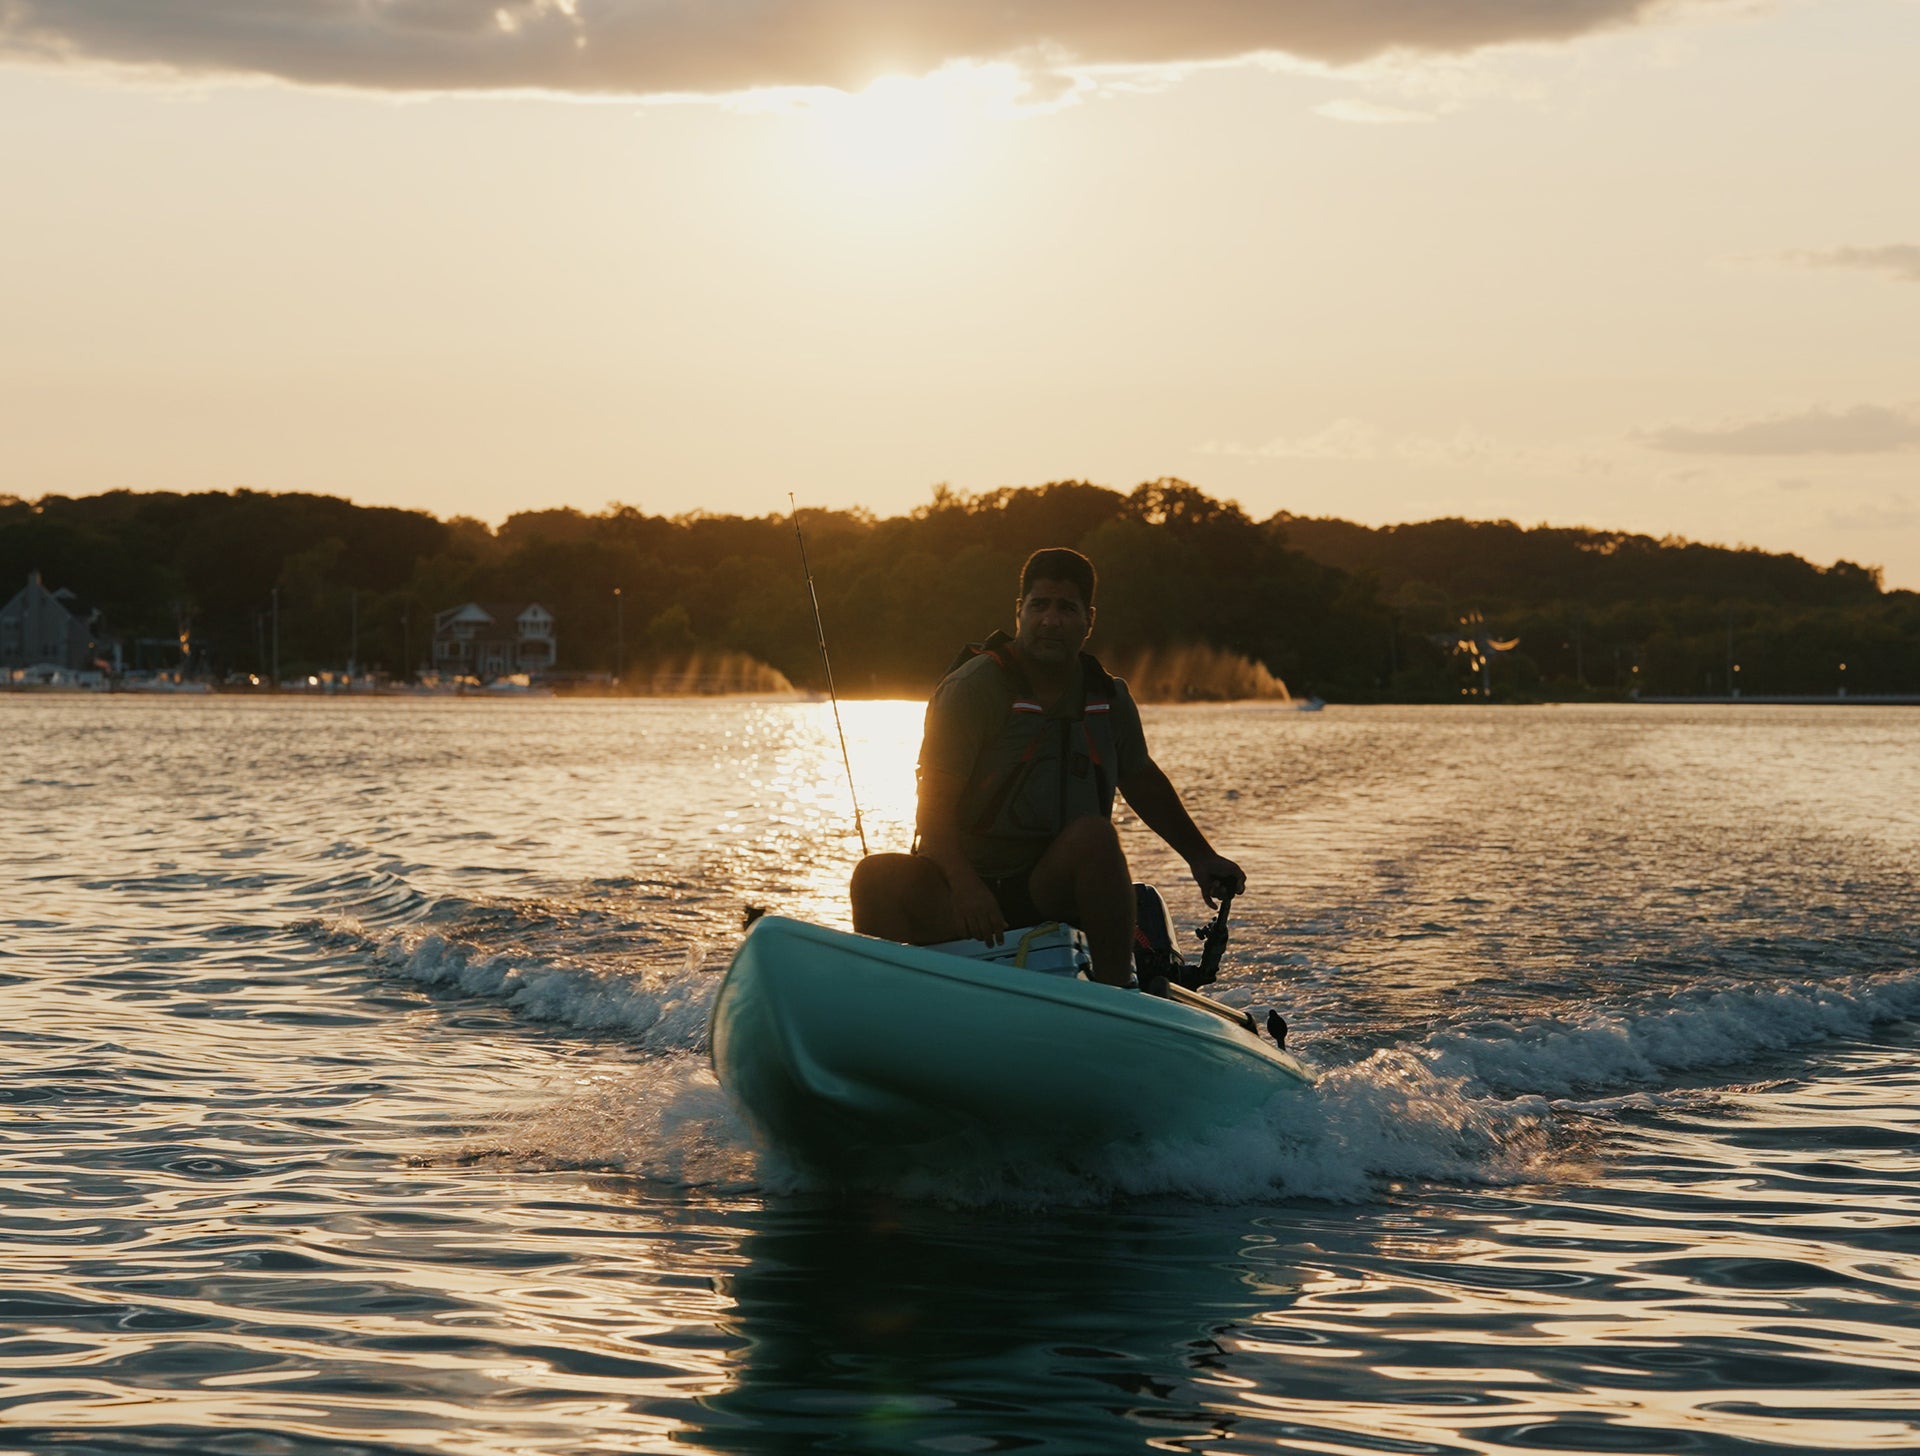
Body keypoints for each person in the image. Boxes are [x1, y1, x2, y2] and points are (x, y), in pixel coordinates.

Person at [849, 547, 1245, 986]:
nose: (1050, 621)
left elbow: (1141, 779)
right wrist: (965, 887)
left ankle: (1114, 997)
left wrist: (1201, 857)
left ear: (1088, 620)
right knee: (875, 878)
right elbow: (933, 809)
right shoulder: (972, 689)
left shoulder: (1108, 698)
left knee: (1095, 836)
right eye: (1039, 606)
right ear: (1019, 612)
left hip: (1049, 886)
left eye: (1066, 609)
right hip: (965, 881)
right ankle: (881, 997)